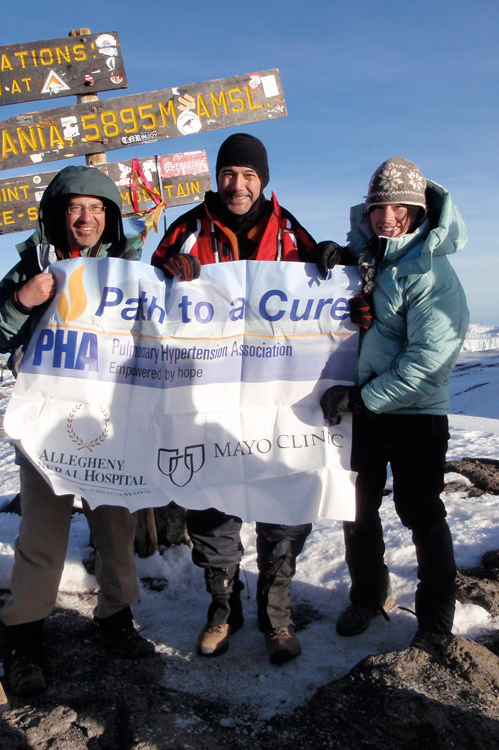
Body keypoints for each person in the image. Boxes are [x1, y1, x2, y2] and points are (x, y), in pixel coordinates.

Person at [151, 132, 324, 664]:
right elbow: (148, 288)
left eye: (249, 175)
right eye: (229, 173)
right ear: (216, 177)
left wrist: (332, 265)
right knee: (212, 503)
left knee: (281, 502)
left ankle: (277, 615)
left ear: (263, 180)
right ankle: (223, 610)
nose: (238, 184)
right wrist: (167, 274)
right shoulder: (186, 229)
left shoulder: (290, 232)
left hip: (277, 397)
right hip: (209, 395)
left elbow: (326, 294)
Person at [0, 165, 154, 697]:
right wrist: (22, 302)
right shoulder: (33, 267)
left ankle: (115, 616)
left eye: (98, 208)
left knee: (115, 525)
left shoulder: (129, 269)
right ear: (59, 215)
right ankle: (25, 635)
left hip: (112, 420)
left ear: (110, 218)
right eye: (76, 207)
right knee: (42, 530)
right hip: (46, 422)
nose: (87, 218)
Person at [320, 156, 469, 648]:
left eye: (398, 207)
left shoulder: (431, 272)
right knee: (357, 508)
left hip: (414, 413)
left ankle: (435, 620)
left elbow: (430, 360)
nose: (386, 216)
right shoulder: (369, 256)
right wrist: (328, 266)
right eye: (378, 205)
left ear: (417, 210)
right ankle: (367, 596)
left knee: (420, 509)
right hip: (367, 409)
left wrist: (364, 398)